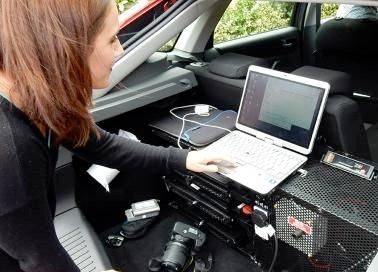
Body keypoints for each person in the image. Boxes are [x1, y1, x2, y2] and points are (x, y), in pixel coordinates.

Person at [0, 1, 231, 271]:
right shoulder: (10, 151)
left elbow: (102, 144)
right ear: (67, 49)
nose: (120, 50)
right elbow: (39, 260)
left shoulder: (38, 100)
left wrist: (184, 159)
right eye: (112, 40)